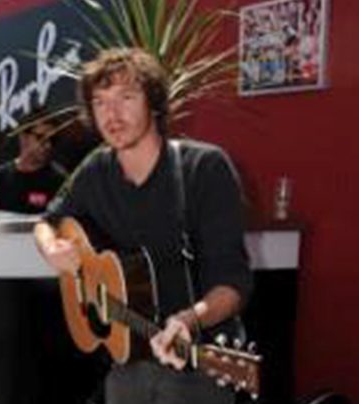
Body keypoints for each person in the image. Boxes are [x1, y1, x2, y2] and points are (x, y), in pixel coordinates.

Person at [33, 48, 253, 404]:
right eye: (100, 102)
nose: (112, 114)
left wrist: (189, 320)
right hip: (127, 361)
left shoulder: (203, 169)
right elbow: (48, 221)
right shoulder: (96, 169)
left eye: (126, 97)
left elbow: (233, 284)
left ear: (153, 102)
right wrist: (51, 248)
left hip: (198, 364)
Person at [0, 110, 69, 214]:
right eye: (41, 137)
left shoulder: (60, 180)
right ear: (23, 137)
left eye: (52, 139)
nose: (48, 145)